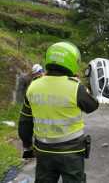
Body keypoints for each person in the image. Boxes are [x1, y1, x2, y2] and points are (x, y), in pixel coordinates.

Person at [18, 42, 99, 183]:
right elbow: (92, 106)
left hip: (43, 151)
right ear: (72, 62)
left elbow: (25, 122)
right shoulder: (75, 87)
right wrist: (82, 87)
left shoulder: (33, 86)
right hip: (71, 152)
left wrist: (27, 146)